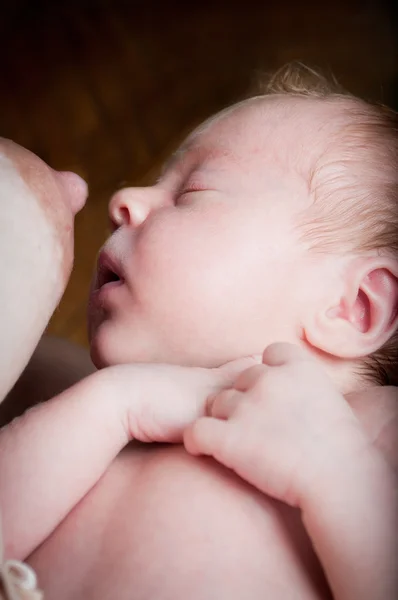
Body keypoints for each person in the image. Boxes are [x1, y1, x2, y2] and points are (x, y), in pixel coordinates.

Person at [0, 63, 397, 600]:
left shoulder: (370, 429)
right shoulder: (84, 410)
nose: (124, 200)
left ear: (354, 308)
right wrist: (116, 402)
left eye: (191, 192)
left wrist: (342, 478)